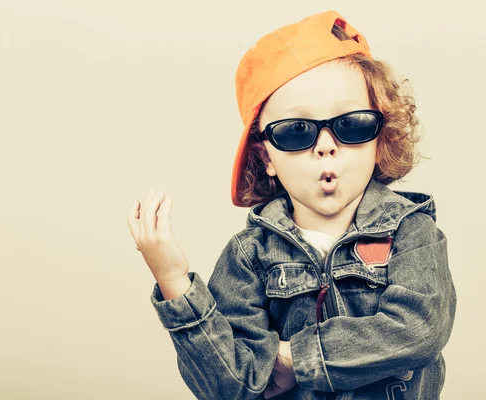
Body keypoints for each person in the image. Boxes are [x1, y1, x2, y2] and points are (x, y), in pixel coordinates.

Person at [128, 10, 457, 400]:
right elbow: (230, 387)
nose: (325, 145)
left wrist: (292, 357)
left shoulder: (411, 231)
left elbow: (420, 328)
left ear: (380, 138)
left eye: (351, 123)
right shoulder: (250, 256)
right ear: (265, 155)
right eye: (297, 131)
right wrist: (174, 281)